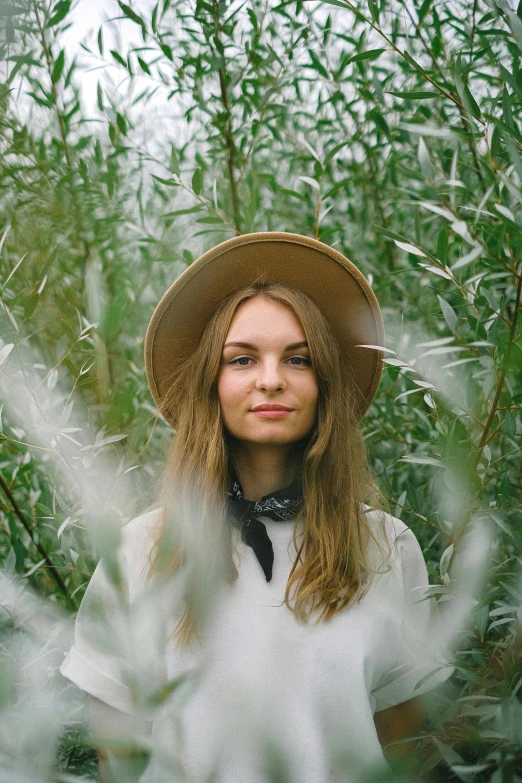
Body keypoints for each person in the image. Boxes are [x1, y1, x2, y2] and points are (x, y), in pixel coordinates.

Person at [60, 232, 454, 783]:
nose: (271, 380)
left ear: (323, 384)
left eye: (298, 359)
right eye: (242, 359)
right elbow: (118, 760)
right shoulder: (139, 552)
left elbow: (409, 751)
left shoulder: (385, 549)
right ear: (211, 384)